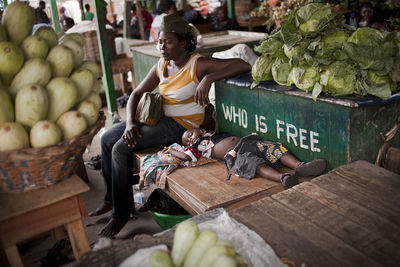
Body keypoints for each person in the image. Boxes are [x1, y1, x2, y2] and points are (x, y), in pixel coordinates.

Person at [88, 14, 251, 237]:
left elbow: (242, 64)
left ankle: (122, 214)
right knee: (107, 139)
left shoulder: (198, 64)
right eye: (160, 41)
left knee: (120, 149)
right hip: (159, 120)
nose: (162, 46)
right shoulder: (162, 65)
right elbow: (136, 93)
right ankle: (111, 199)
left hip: (180, 126)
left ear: (184, 42)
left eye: (168, 41)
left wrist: (208, 79)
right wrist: (129, 124)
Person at [163, 129, 326, 188]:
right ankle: (283, 178)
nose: (190, 140)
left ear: (200, 129)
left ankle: (301, 166)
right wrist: (172, 150)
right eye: (187, 142)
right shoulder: (197, 147)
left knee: (273, 148)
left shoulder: (211, 132)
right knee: (256, 166)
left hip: (248, 142)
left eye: (189, 135)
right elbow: (186, 157)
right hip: (235, 157)